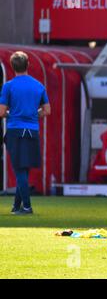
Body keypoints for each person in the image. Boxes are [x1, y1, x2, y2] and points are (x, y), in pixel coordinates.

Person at [0, 51, 51, 215]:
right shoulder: (39, 85)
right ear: (28, 65)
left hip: (15, 130)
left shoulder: (8, 86)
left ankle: (27, 207)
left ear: (12, 67)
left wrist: (12, 114)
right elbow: (47, 110)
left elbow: (1, 112)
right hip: (32, 131)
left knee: (19, 170)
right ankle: (16, 207)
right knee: (24, 170)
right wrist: (33, 114)